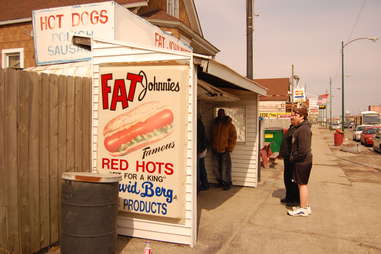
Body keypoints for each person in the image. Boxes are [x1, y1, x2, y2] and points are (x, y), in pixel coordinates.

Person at [287, 108, 313, 216]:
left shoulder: (303, 129)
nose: (294, 116)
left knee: (302, 184)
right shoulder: (301, 128)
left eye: (296, 115)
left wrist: (293, 158)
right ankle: (305, 206)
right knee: (301, 184)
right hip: (302, 161)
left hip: (302, 161)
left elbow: (303, 150)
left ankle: (303, 208)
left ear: (302, 116)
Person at [211, 108, 237, 191]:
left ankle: (227, 183)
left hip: (225, 149)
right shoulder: (214, 124)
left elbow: (233, 137)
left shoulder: (229, 125)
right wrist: (212, 145)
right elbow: (211, 135)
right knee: (216, 167)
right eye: (219, 113)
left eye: (222, 113)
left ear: (224, 114)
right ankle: (220, 181)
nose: (220, 115)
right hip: (215, 149)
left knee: (225, 167)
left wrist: (229, 148)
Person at [279, 116, 300, 206]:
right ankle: (289, 197)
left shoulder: (297, 129)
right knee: (287, 179)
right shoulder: (292, 127)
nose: (291, 118)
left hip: (291, 158)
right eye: (291, 117)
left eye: (293, 117)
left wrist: (293, 156)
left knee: (292, 180)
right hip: (287, 158)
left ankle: (294, 199)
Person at [197, 116, 209, 191]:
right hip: (202, 148)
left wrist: (199, 150)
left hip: (200, 149)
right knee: (201, 167)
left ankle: (200, 185)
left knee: (199, 168)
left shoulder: (197, 125)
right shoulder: (201, 125)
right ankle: (205, 184)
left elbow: (199, 139)